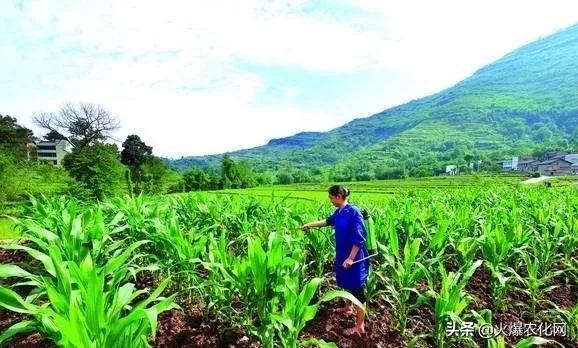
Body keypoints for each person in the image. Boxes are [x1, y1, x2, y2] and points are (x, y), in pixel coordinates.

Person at [300, 185, 369, 336]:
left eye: (331, 197)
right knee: (346, 282)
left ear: (338, 196)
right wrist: (309, 225)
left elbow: (359, 238)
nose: (330, 200)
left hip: (354, 258)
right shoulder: (339, 212)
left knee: (358, 289)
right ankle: (348, 307)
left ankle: (360, 324)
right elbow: (327, 221)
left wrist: (351, 258)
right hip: (343, 254)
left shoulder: (353, 212)